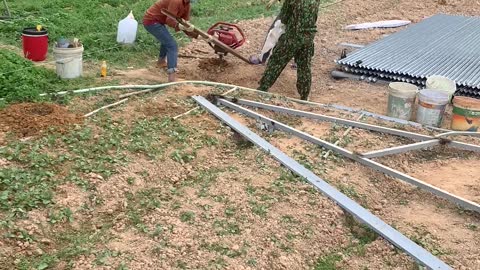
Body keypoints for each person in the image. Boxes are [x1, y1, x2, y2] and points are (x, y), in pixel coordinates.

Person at [258, 0, 321, 100]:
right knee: (304, 67)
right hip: (308, 38)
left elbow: (284, 18)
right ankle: (304, 96)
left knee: (276, 61)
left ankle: (262, 89)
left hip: (292, 37)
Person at [143, 0, 198, 82]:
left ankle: (161, 62)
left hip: (159, 21)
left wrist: (196, 35)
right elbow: (169, 20)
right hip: (151, 21)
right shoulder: (176, 1)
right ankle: (171, 77)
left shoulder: (187, 4)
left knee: (167, 41)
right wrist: (179, 25)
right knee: (172, 45)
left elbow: (185, 24)